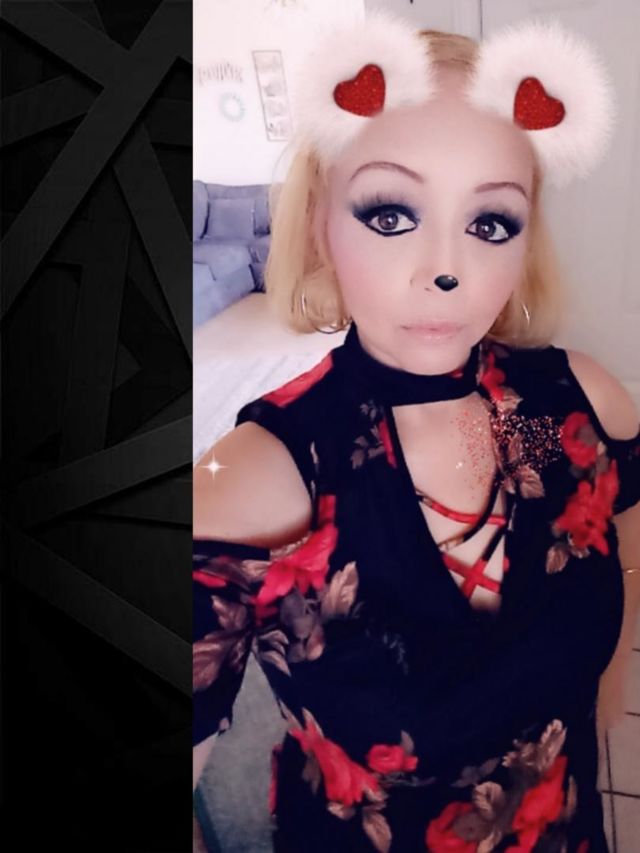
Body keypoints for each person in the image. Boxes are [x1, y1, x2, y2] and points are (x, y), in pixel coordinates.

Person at [193, 12, 640, 852]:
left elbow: (611, 513)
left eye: (490, 222)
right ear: (320, 219)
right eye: (392, 214)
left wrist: (604, 679)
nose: (446, 269)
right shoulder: (256, 486)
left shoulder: (564, 409)